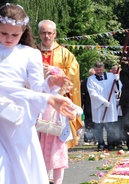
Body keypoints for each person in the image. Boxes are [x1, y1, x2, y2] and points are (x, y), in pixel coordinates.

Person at [0, 3, 75, 183]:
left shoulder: (30, 53)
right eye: (3, 33)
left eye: (15, 35)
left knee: (20, 165)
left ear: (24, 31)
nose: (9, 38)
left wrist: (50, 82)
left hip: (16, 118)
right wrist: (45, 97)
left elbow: (36, 89)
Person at [37, 19, 82, 148]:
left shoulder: (64, 53)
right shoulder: (33, 52)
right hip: (38, 97)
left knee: (56, 137)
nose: (47, 36)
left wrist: (55, 71)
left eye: (50, 33)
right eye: (43, 33)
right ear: (39, 34)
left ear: (55, 34)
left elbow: (73, 71)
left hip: (57, 98)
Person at [39, 66, 83, 184]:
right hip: (43, 134)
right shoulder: (42, 96)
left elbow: (79, 109)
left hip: (58, 136)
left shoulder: (62, 98)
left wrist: (73, 112)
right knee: (43, 161)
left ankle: (58, 182)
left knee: (58, 162)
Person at [87, 61, 121, 151]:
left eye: (100, 69)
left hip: (110, 105)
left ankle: (110, 143)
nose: (99, 71)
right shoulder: (91, 79)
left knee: (110, 125)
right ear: (94, 69)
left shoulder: (110, 76)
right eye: (97, 70)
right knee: (99, 126)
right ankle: (101, 143)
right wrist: (103, 101)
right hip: (98, 106)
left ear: (103, 68)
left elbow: (117, 89)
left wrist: (117, 81)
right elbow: (92, 93)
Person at [81, 68, 95, 143]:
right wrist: (81, 105)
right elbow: (82, 95)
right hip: (88, 105)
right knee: (88, 122)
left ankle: (95, 137)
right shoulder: (84, 83)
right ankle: (87, 137)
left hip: (96, 105)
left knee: (95, 122)